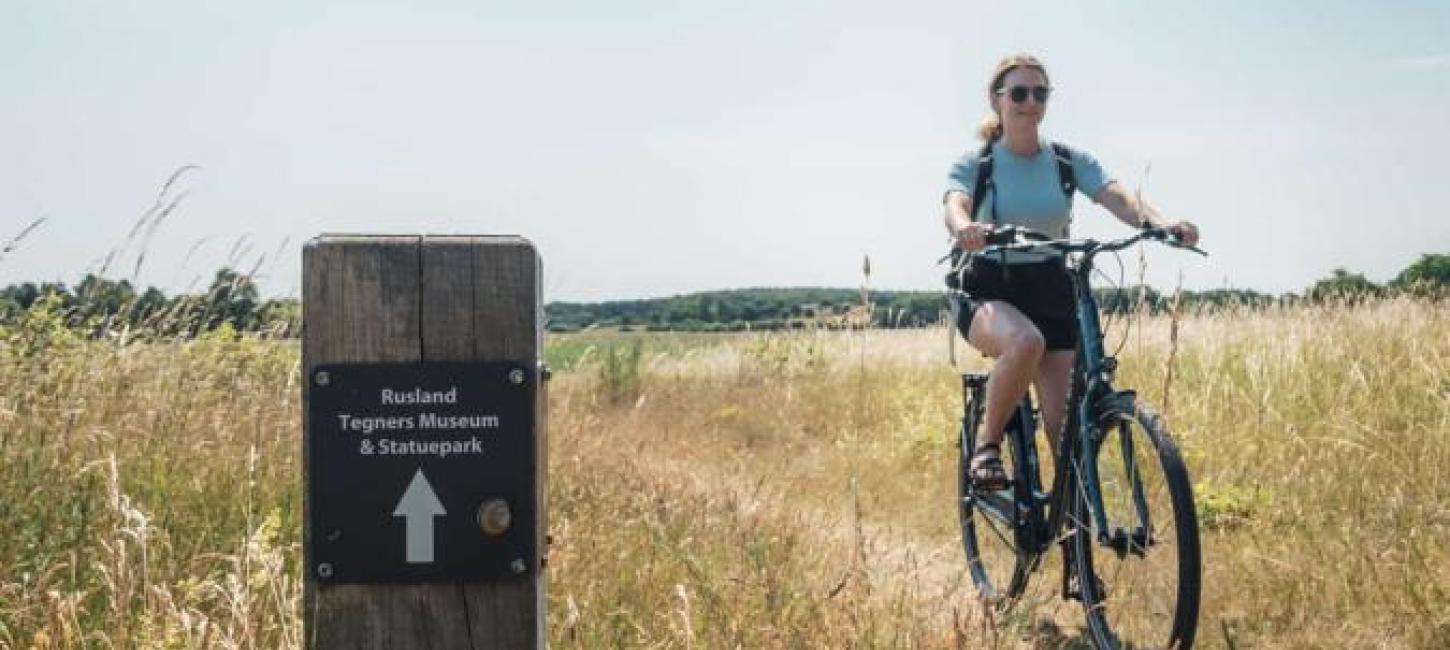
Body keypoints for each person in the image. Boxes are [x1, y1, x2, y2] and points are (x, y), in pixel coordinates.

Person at [942, 53, 1200, 488]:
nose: (1030, 102)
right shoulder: (978, 163)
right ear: (997, 100)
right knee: (1024, 343)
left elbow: (1117, 196)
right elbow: (955, 203)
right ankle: (987, 446)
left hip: (1051, 286)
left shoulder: (1065, 161)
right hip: (989, 286)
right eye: (1019, 93)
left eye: (1040, 93)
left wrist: (1161, 224)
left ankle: (1072, 537)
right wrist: (966, 228)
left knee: (1067, 431)